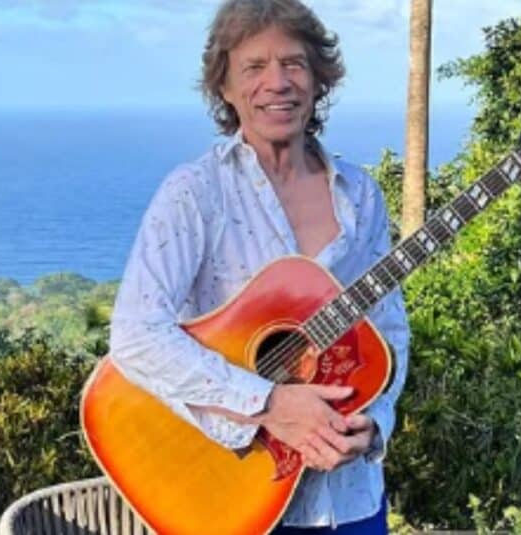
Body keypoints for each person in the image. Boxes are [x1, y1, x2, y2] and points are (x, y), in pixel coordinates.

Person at [108, 0, 409, 533]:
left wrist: (375, 425)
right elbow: (136, 334)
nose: (279, 82)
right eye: (255, 67)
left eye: (294, 64)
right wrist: (268, 403)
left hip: (352, 499)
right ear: (224, 87)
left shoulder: (360, 194)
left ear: (319, 80)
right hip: (237, 496)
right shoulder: (195, 193)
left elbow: (389, 332)